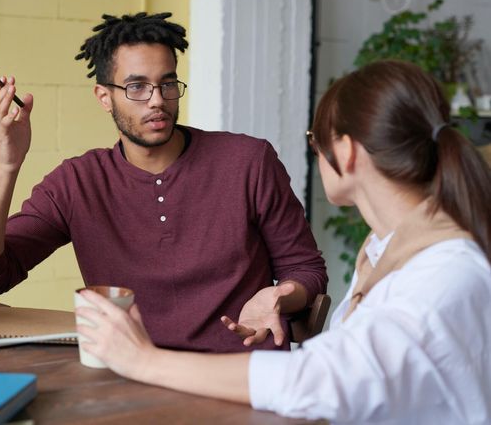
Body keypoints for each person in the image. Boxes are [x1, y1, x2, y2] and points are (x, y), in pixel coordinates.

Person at [75, 60, 491, 424]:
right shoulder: (388, 250)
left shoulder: (445, 272)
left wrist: (143, 360)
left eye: (315, 140)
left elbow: (323, 380)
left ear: (345, 153)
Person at [0, 12, 327, 353]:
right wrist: (7, 167)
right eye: (136, 87)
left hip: (237, 375)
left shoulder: (248, 161)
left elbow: (307, 269)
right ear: (104, 97)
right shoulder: (77, 182)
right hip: (131, 375)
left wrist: (277, 297)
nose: (157, 101)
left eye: (167, 84)